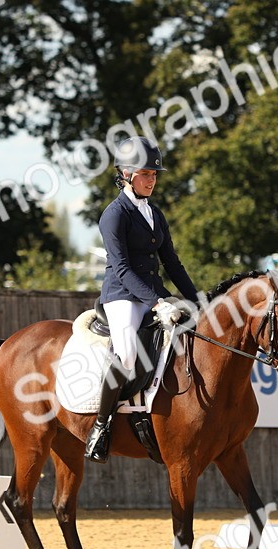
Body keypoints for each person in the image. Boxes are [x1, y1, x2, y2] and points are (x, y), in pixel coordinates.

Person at [84, 136, 200, 463]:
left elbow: (172, 263)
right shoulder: (114, 214)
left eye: (155, 175)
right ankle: (102, 426)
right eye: (146, 174)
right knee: (126, 355)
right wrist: (158, 303)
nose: (152, 180)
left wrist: (196, 300)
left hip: (153, 294)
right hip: (122, 296)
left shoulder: (154, 213)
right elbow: (121, 267)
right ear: (126, 174)